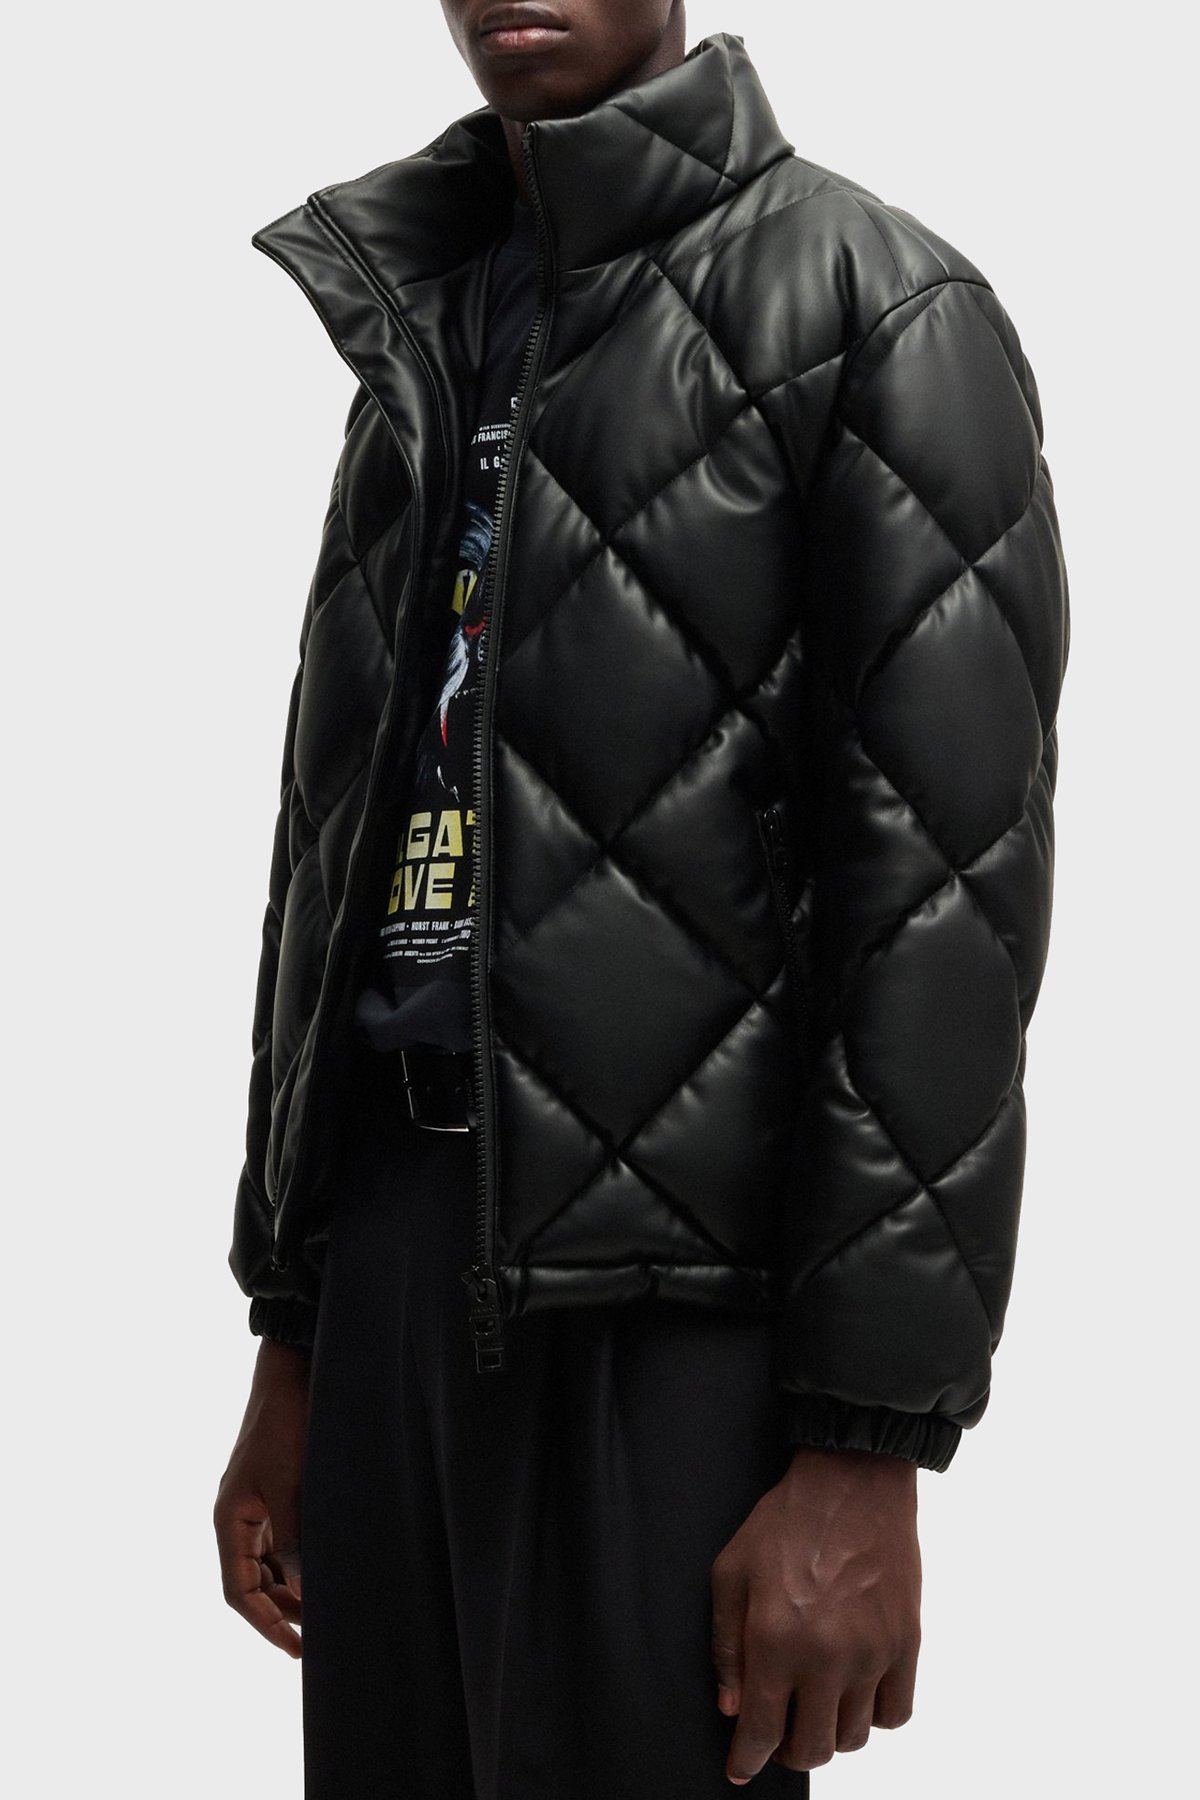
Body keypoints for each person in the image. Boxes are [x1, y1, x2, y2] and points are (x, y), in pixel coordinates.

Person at [213, 5, 1070, 1795]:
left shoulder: (877, 304)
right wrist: (292, 1331)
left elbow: (942, 910)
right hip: (392, 1263)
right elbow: (335, 852)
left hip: (677, 1311)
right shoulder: (426, 320)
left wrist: (867, 1442)